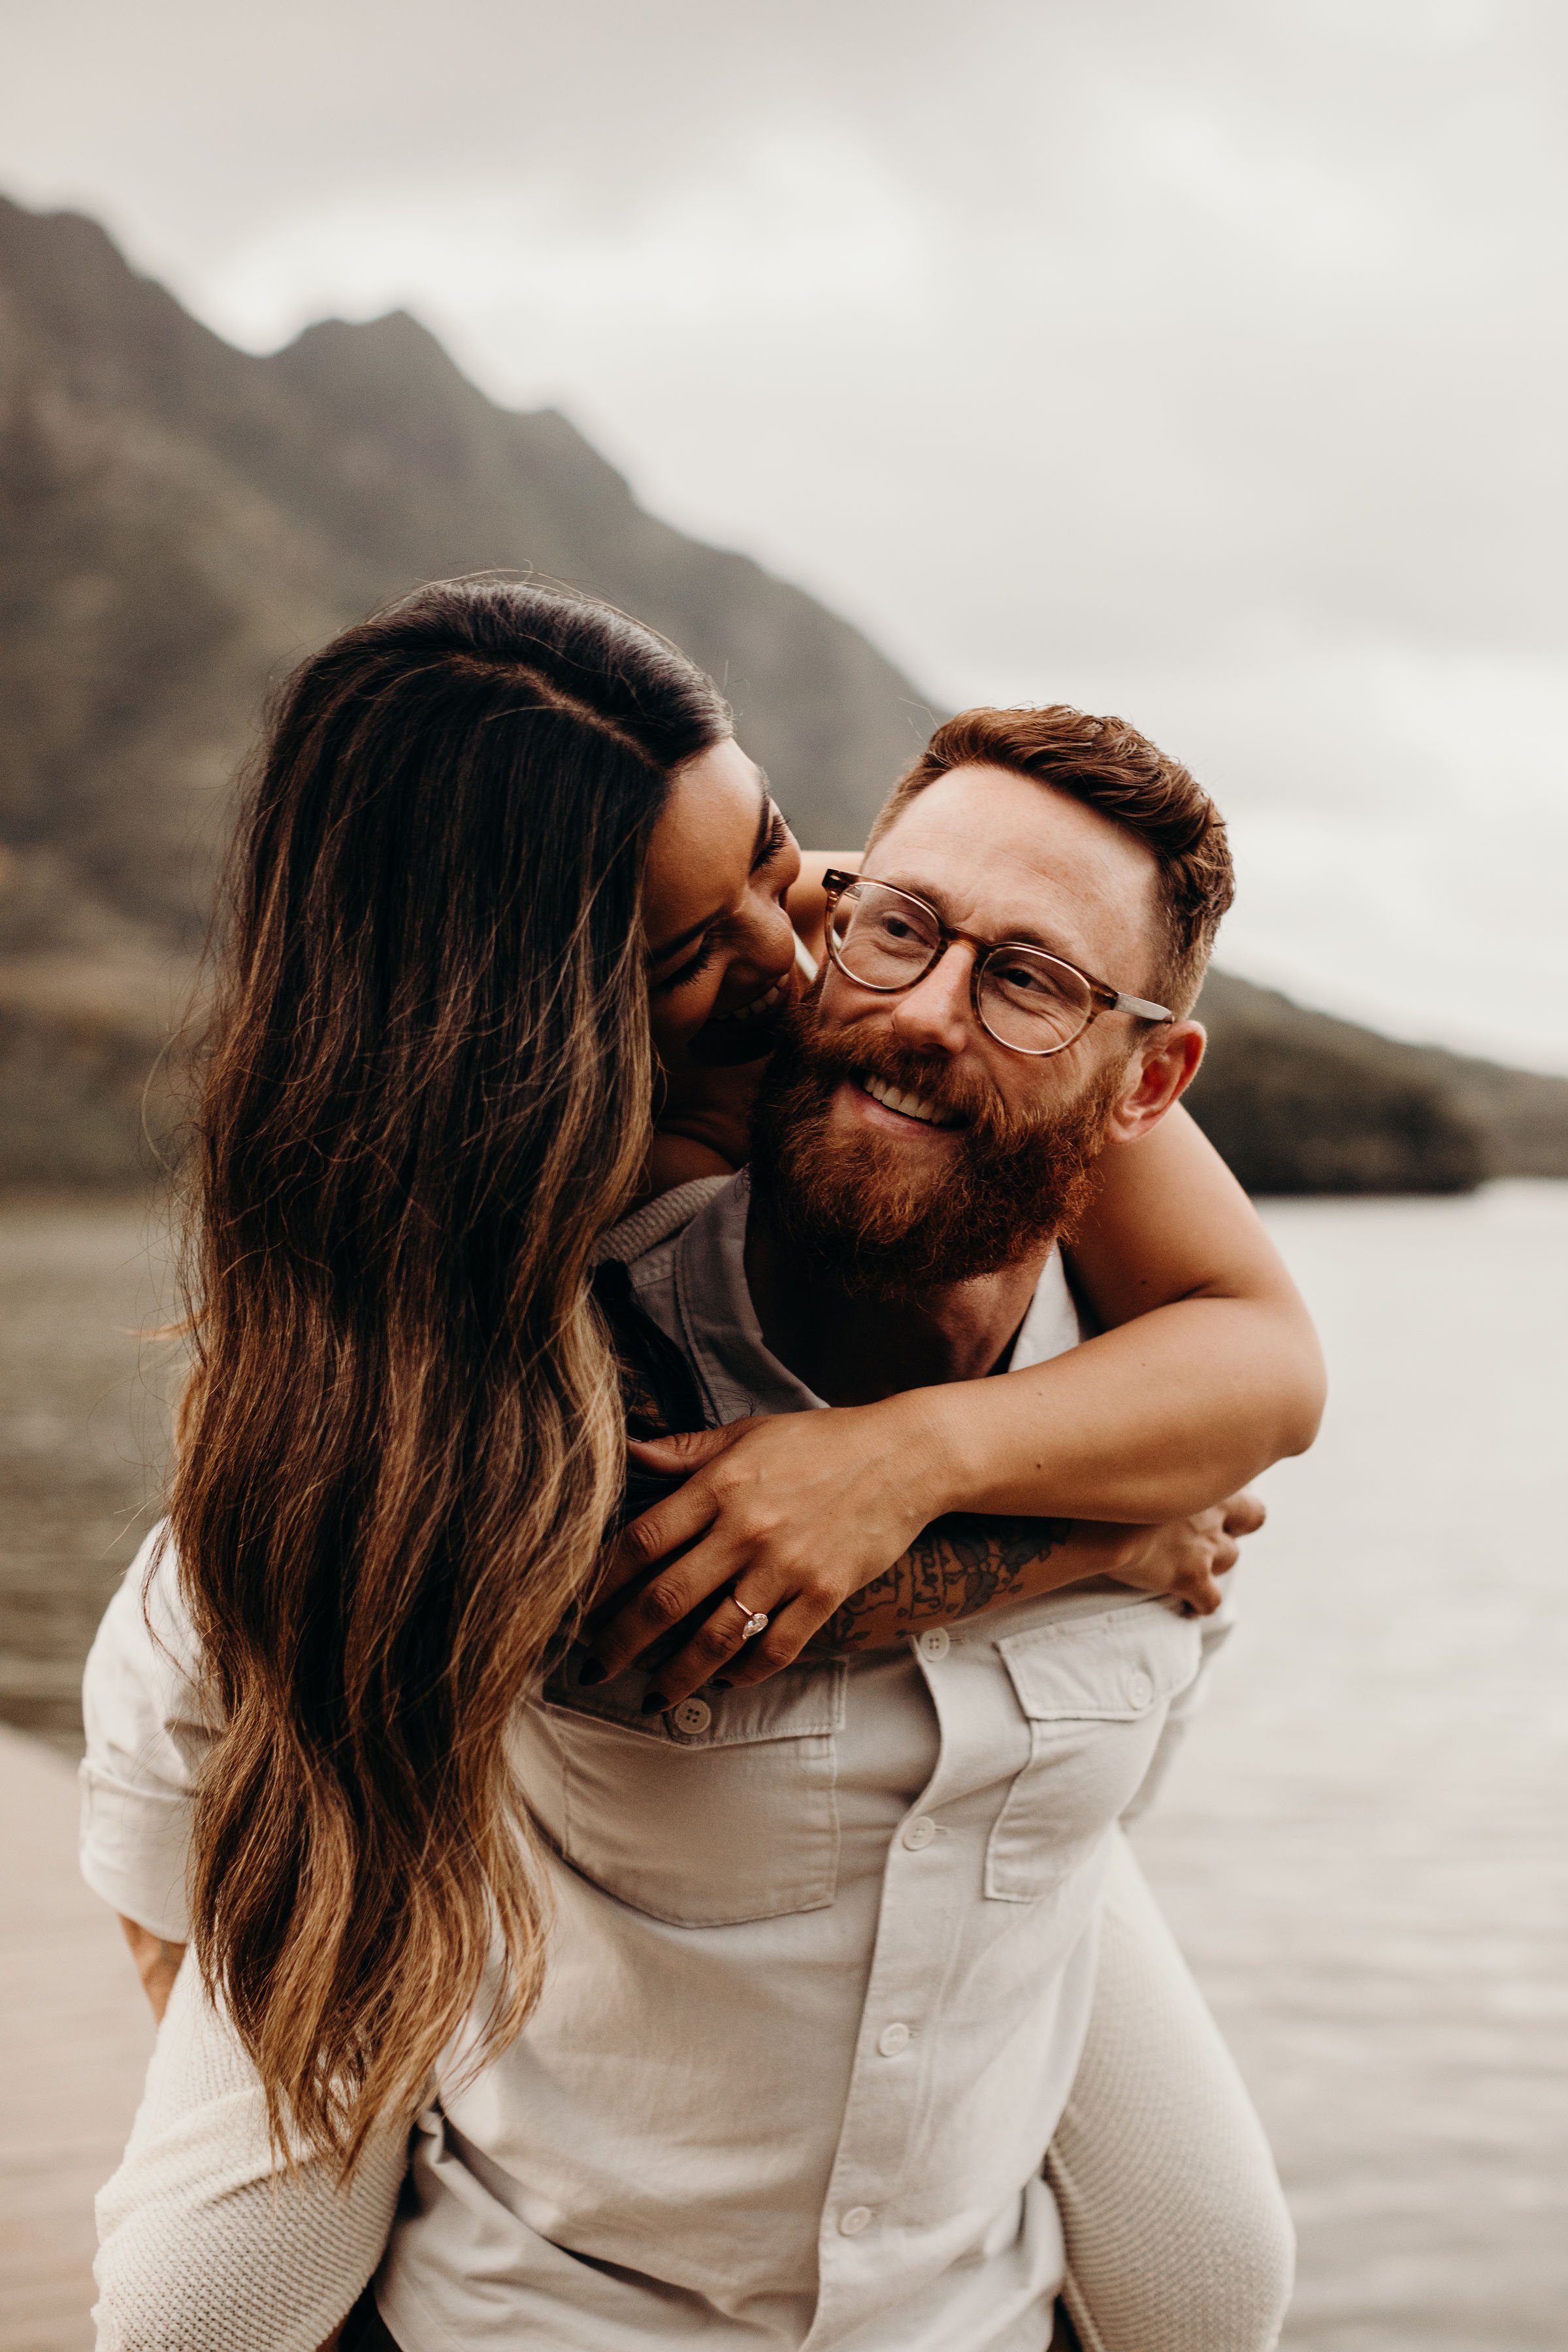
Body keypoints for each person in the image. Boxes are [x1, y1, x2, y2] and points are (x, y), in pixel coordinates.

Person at [82, 581, 1318, 2348]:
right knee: (200, 2301)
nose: (792, 958)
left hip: (962, 1820)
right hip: (327, 1720)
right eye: (690, 948)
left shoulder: (941, 999)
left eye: (783, 856)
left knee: (1217, 2267)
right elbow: (667, 1600)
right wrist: (1100, 1550)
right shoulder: (480, 1304)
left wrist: (923, 1452)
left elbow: (1268, 1354)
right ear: (540, 1021)